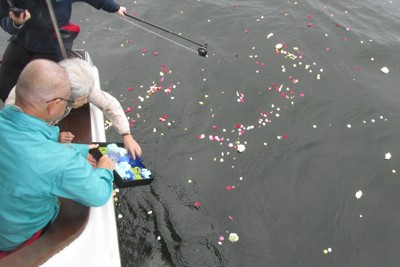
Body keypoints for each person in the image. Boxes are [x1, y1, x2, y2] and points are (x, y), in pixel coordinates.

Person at [0, 59, 115, 258]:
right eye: (68, 102)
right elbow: (98, 194)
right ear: (53, 106)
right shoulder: (60, 161)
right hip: (15, 238)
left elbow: (30, 144)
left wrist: (77, 150)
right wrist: (104, 167)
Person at [5, 57, 142, 159]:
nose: (86, 100)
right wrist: (55, 138)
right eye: (83, 98)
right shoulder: (23, 110)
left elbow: (109, 104)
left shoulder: (68, 84)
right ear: (60, 99)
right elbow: (35, 147)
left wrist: (126, 134)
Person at [0, 0, 127, 102]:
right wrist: (16, 23)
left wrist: (115, 8)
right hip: (23, 39)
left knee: (39, 88)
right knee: (5, 82)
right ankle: (10, 112)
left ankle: (39, 118)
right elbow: (4, 20)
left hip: (53, 44)